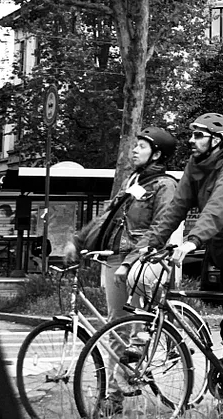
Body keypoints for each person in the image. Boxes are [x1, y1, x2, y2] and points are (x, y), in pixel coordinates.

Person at [135, 112, 223, 356]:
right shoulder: (194, 166)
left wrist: (193, 241)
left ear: (218, 140)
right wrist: (149, 244)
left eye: (199, 136)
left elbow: (217, 207)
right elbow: (176, 208)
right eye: (192, 135)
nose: (191, 140)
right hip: (222, 246)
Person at [63, 126, 178, 322]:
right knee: (116, 322)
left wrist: (130, 261)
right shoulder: (132, 182)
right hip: (115, 256)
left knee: (140, 321)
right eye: (135, 146)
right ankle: (116, 354)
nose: (134, 150)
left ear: (157, 154)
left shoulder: (165, 185)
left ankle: (167, 347)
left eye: (141, 147)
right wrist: (77, 241)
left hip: (144, 260)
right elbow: (107, 217)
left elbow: (161, 227)